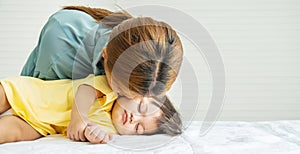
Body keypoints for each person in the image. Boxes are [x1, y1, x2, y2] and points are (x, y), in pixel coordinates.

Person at [19, 6, 184, 142]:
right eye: (125, 91)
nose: (134, 102)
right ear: (105, 54)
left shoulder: (133, 52)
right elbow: (40, 99)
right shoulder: (61, 50)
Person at [0, 75, 182, 144]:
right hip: (27, 93)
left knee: (8, 132)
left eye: (139, 128)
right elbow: (85, 91)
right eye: (141, 108)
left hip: (40, 127)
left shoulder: (111, 130)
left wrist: (93, 135)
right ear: (137, 94)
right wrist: (79, 118)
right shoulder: (110, 89)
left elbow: (89, 130)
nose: (133, 119)